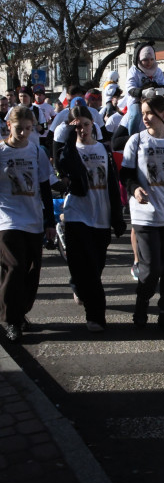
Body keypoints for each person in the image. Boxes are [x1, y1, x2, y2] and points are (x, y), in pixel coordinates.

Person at [120, 93, 164, 333]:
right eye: (143, 114)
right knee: (151, 268)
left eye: (149, 113)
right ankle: (142, 304)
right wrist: (135, 189)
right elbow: (126, 174)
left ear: (163, 114)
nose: (146, 118)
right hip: (146, 215)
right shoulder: (136, 141)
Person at [56, 106, 126, 332]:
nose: (82, 129)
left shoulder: (102, 149)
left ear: (92, 125)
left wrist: (117, 216)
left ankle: (79, 286)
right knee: (84, 266)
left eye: (85, 124)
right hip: (77, 214)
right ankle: (95, 316)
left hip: (101, 215)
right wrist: (69, 136)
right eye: (77, 125)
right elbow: (64, 165)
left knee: (96, 266)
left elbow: (112, 185)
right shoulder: (69, 150)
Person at [0, 105, 56, 343]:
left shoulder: (36, 152)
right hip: (8, 218)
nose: (22, 133)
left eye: (28, 129)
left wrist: (49, 222)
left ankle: (20, 313)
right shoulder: (2, 152)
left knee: (31, 272)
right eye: (18, 129)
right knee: (15, 267)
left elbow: (44, 186)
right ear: (9, 127)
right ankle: (10, 320)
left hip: (33, 218)